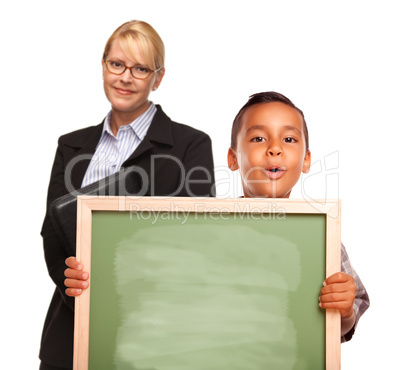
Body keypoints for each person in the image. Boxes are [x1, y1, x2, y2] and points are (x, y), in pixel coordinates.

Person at [40, 20, 215, 370]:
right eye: (116, 64)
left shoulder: (190, 145)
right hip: (72, 324)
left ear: (158, 78)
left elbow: (196, 238)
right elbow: (52, 231)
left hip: (155, 331)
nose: (125, 77)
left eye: (140, 68)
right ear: (103, 66)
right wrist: (69, 280)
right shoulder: (70, 145)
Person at [227, 91, 369, 341]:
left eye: (289, 139)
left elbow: (343, 326)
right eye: (258, 138)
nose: (274, 149)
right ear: (233, 158)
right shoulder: (206, 228)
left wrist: (344, 310)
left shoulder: (322, 236)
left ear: (306, 160)